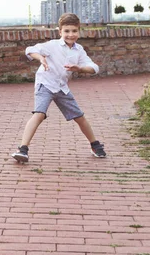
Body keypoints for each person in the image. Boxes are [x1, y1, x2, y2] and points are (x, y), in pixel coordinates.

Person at [11, 13, 106, 162]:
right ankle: (22, 149)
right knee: (39, 113)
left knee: (79, 117)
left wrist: (79, 68)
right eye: (66, 31)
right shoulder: (52, 45)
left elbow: (94, 67)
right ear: (60, 32)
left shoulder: (79, 50)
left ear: (79, 31)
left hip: (61, 88)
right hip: (46, 83)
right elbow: (30, 50)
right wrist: (40, 57)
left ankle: (95, 145)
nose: (70, 34)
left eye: (74, 31)